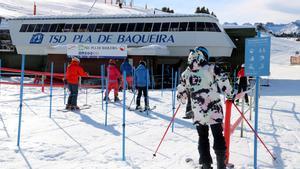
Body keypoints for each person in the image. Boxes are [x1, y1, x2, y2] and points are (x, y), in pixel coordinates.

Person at [177, 47, 233, 169]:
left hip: (198, 110)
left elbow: (181, 93)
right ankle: (221, 165)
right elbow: (224, 81)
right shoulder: (212, 68)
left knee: (202, 137)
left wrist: (183, 96)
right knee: (218, 135)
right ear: (204, 56)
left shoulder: (185, 73)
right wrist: (229, 94)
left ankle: (206, 165)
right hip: (214, 108)